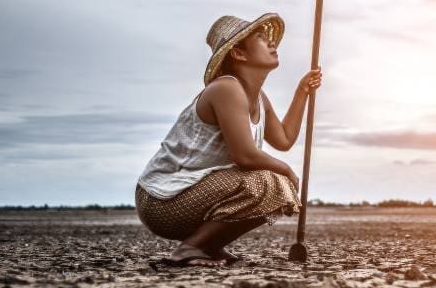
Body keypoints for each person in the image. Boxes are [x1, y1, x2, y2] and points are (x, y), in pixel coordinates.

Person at [135, 13, 322, 266]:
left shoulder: (258, 98)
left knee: (278, 185)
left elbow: (284, 139)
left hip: (194, 192)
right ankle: (189, 248)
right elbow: (244, 156)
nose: (271, 43)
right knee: (271, 182)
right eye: (260, 38)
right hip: (161, 201)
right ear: (239, 54)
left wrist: (303, 92)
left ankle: (209, 246)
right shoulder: (227, 88)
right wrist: (287, 170)